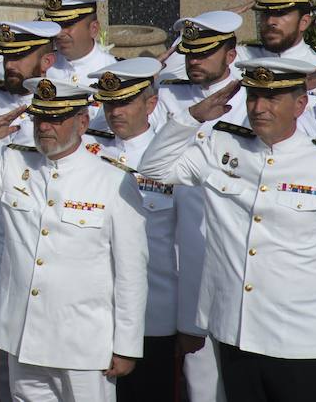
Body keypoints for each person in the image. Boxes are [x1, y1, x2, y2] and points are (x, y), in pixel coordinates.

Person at [0, 77, 148, 402]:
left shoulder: (112, 181)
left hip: (84, 343)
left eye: (56, 118)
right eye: (40, 117)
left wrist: (127, 345)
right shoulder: (12, 164)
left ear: (82, 121)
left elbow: (131, 273)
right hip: (23, 336)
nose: (45, 127)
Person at [140, 57, 316, 401]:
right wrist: (193, 117)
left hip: (302, 337)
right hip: (235, 331)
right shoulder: (222, 147)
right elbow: (154, 167)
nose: (259, 108)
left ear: (300, 104)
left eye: (272, 98)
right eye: (254, 97)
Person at [85, 59, 197, 402]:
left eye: (126, 102)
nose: (115, 111)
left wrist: (190, 321)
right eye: (110, 102)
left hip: (154, 312)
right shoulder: (87, 150)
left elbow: (191, 244)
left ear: (150, 104)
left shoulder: (176, 156)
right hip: (93, 311)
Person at [152, 12, 235, 402]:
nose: (194, 61)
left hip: (233, 242)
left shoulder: (253, 97)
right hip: (177, 246)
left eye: (204, 53)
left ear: (231, 54)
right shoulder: (166, 95)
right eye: (189, 53)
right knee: (198, 379)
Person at [0, 20, 64, 144]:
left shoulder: (61, 107)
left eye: (18, 57)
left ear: (47, 62)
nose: (9, 65)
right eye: (7, 57)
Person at [39, 0, 115, 87]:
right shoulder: (42, 69)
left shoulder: (115, 70)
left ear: (93, 29)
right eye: (55, 26)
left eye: (67, 25)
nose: (59, 34)